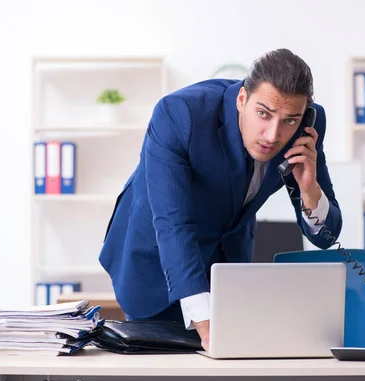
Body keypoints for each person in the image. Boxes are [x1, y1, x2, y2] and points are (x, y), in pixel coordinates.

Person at [98, 48, 342, 351]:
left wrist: (309, 188)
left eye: (289, 120)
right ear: (242, 100)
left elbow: (326, 236)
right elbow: (173, 223)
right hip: (156, 261)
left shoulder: (306, 128)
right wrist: (205, 322)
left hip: (228, 268)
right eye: (263, 114)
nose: (272, 135)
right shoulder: (179, 114)